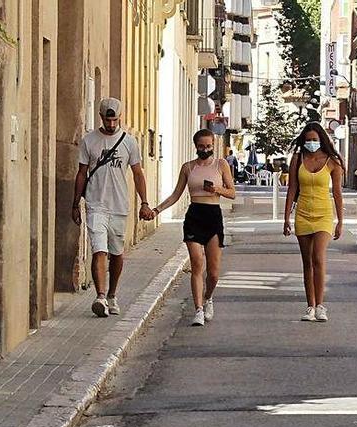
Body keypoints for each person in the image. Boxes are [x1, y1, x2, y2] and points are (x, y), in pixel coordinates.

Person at [72, 98, 152, 317]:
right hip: (95, 204)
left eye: (115, 120)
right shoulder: (89, 141)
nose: (111, 124)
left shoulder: (129, 142)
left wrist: (144, 202)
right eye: (107, 120)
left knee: (116, 253)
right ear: (100, 117)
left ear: (120, 118)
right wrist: (76, 203)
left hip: (119, 205)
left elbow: (137, 174)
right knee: (99, 249)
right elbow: (81, 173)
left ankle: (112, 295)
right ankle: (100, 296)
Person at [150, 129, 236, 326]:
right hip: (195, 215)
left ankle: (208, 297)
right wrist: (157, 210)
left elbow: (232, 193)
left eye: (208, 146)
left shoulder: (221, 164)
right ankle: (198, 309)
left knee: (213, 272)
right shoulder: (188, 167)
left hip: (213, 216)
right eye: (201, 146)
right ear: (195, 146)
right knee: (197, 263)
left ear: (213, 145)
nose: (205, 150)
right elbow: (175, 195)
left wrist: (217, 189)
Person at [283, 122, 345, 322]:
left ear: (322, 140)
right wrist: (286, 218)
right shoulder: (298, 159)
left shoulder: (332, 161)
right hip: (302, 214)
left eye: (315, 140)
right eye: (308, 140)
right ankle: (309, 306)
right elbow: (292, 189)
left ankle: (320, 306)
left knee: (318, 257)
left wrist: (340, 221)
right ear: (303, 141)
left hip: (323, 215)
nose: (311, 143)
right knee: (307, 262)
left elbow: (337, 192)